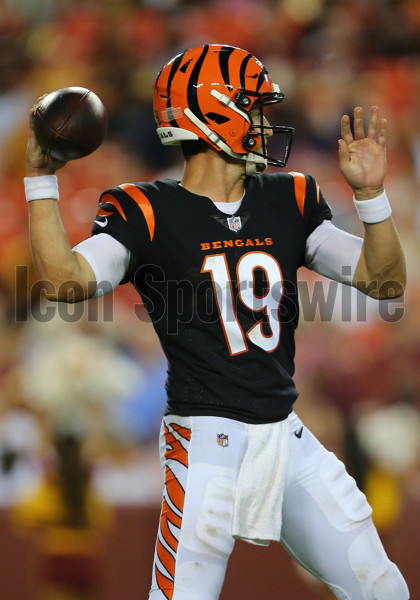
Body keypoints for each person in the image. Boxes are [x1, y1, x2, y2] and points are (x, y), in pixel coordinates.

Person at [25, 44, 409, 600]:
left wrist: (372, 197)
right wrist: (42, 182)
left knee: (382, 588)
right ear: (214, 114)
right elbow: (66, 282)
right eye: (253, 107)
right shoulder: (146, 209)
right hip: (204, 441)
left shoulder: (290, 197)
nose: (265, 122)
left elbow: (383, 280)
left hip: (285, 433)